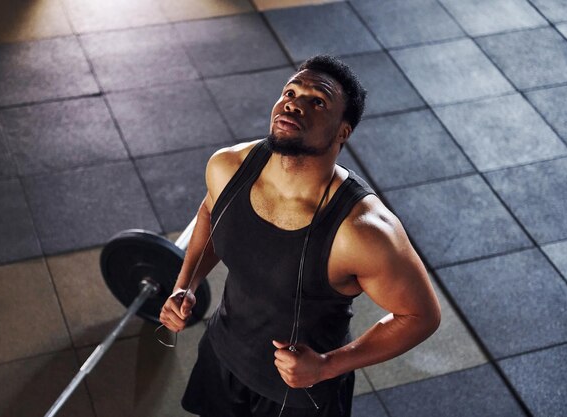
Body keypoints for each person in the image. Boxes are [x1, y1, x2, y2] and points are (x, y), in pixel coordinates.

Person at [159, 55, 441, 417]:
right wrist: (186, 285)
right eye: (290, 91)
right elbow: (211, 212)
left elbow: (420, 316)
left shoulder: (362, 231)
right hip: (222, 354)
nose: (295, 102)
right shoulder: (227, 167)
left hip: (298, 395)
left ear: (343, 131)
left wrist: (325, 365)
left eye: (318, 101)